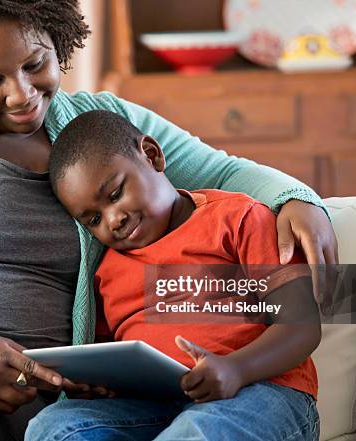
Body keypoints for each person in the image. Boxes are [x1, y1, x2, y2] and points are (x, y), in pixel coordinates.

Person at [0, 1, 335, 440]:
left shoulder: (102, 125)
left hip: (61, 390)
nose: (21, 95)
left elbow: (226, 173)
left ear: (56, 39)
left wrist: (297, 199)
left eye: (34, 64)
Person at [26, 110, 321, 440]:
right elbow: (112, 364)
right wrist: (90, 384)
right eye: (93, 220)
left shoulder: (238, 219)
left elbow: (303, 326)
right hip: (155, 407)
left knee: (194, 431)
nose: (113, 220)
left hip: (262, 392)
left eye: (115, 195)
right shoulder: (107, 272)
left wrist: (236, 368)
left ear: (152, 156)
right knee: (53, 427)